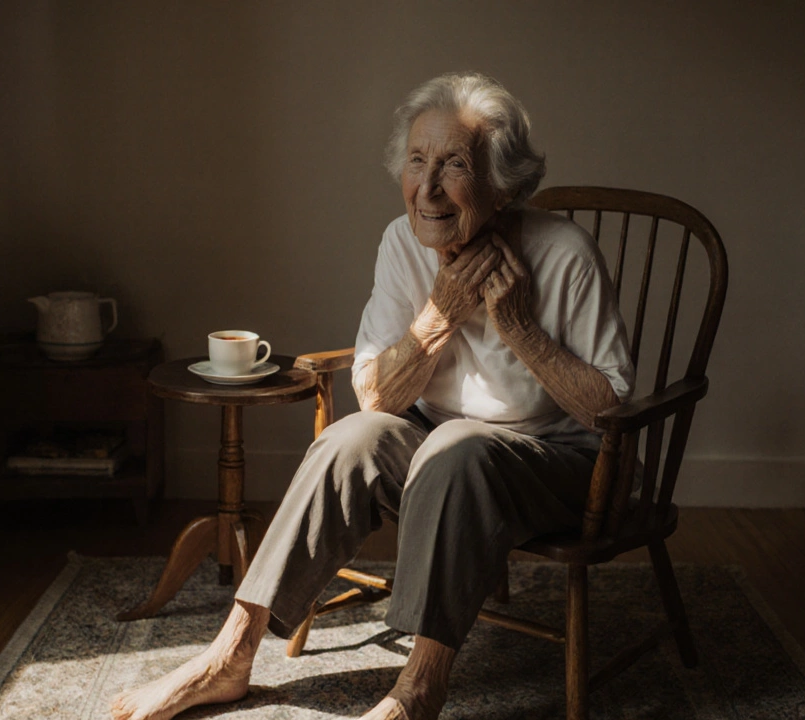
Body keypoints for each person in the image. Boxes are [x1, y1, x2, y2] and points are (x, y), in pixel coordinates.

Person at [112, 72, 633, 720]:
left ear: (502, 187)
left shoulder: (565, 254)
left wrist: (522, 328)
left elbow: (609, 411)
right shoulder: (401, 244)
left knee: (459, 448)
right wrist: (439, 314)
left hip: (556, 463)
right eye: (416, 161)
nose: (427, 187)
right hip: (436, 450)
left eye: (454, 165)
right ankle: (229, 656)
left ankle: (418, 687)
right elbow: (375, 398)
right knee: (347, 439)